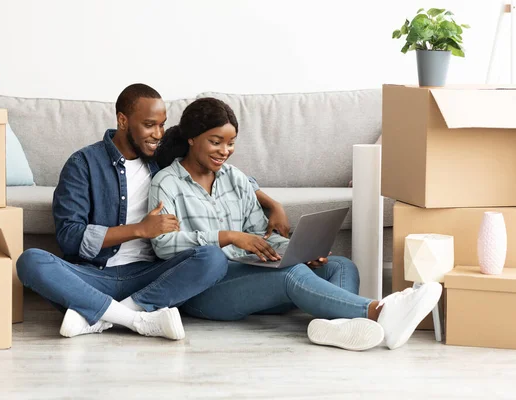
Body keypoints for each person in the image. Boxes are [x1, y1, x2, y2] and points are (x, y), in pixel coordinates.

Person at [149, 97, 442, 351]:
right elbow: (163, 246)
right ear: (191, 138)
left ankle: (336, 328)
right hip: (205, 291)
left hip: (251, 277)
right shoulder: (167, 184)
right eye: (215, 142)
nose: (224, 151)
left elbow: (260, 235)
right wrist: (227, 237)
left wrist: (296, 251)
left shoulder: (235, 179)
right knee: (291, 275)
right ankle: (380, 312)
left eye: (231, 143)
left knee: (340, 266)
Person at [16, 84, 290, 341]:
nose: (158, 134)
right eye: (149, 125)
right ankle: (136, 320)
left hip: (153, 275)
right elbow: (69, 237)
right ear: (123, 121)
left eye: (161, 125)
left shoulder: (160, 161)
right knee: (31, 261)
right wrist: (139, 230)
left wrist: (273, 204)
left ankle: (99, 315)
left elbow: (222, 171)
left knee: (211, 257)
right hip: (96, 275)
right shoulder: (84, 164)